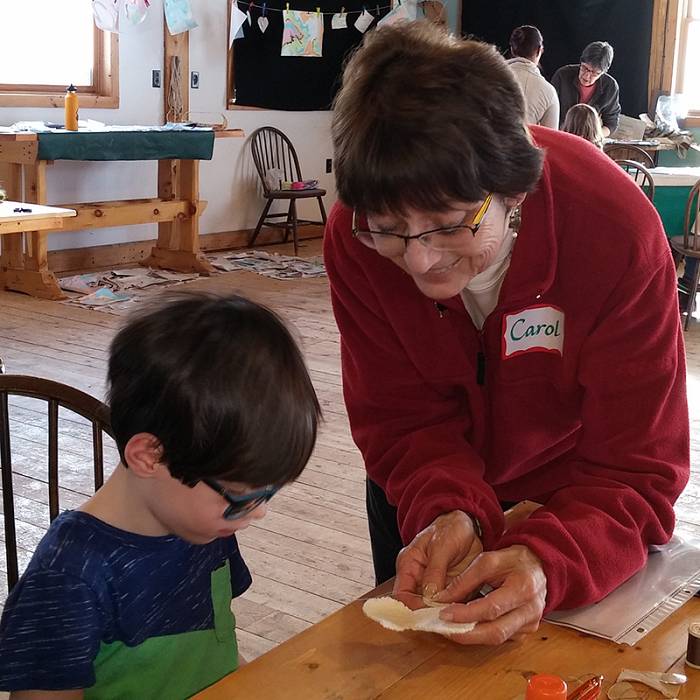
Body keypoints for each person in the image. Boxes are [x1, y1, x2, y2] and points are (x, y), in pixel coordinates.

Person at [325, 22, 688, 646]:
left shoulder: (615, 232)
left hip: (578, 503)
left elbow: (637, 469)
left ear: (514, 190)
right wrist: (445, 509)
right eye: (388, 228)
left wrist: (549, 560)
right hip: (422, 494)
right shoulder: (355, 236)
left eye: (447, 225)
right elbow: (402, 421)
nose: (418, 261)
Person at [0, 292, 321, 698]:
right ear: (150, 457)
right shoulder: (70, 577)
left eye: (268, 494)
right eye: (241, 497)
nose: (256, 514)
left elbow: (211, 657)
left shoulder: (204, 530)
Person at [551, 41, 621, 136]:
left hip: (590, 140)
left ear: (603, 72)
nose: (587, 76)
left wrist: (594, 135)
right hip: (560, 134)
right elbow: (549, 110)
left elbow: (611, 122)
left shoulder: (610, 86)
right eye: (584, 68)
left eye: (595, 73)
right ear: (581, 61)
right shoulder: (562, 76)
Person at [506, 25, 559, 129]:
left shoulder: (490, 75)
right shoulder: (549, 91)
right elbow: (550, 139)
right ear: (539, 50)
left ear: (512, 49)